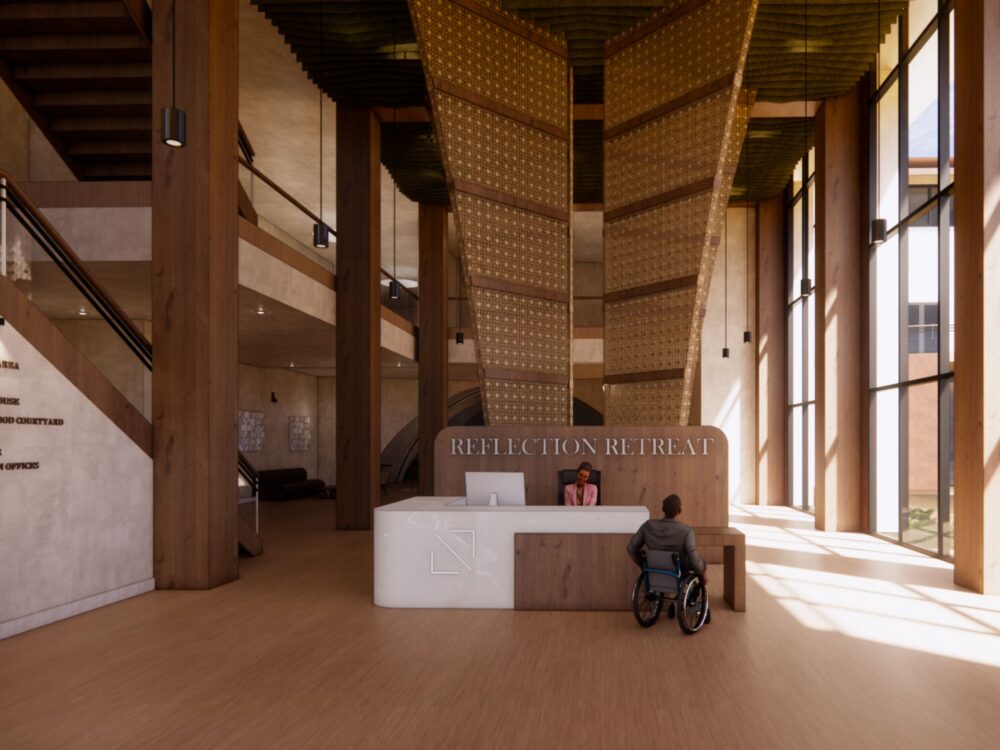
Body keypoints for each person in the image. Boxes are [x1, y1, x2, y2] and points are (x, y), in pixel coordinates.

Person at [627, 494, 707, 583]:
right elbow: (695, 562)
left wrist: (643, 565)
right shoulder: (687, 531)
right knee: (700, 563)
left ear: (663, 509)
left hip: (653, 570)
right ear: (679, 511)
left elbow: (631, 548)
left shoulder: (647, 526)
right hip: (678, 572)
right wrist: (703, 573)